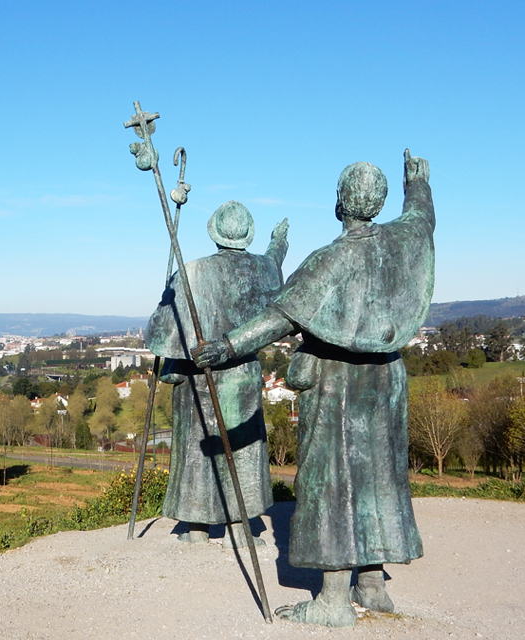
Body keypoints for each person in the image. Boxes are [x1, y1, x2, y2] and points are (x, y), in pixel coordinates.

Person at [193, 150, 434, 627]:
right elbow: (423, 214)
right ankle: (372, 583)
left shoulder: (332, 259)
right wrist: (418, 181)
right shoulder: (406, 240)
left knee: (336, 485)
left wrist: (224, 346)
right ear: (379, 203)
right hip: (387, 378)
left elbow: (277, 318)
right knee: (378, 479)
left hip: (338, 381)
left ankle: (333, 600)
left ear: (339, 205)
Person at [145, 201, 288, 546]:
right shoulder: (265, 269)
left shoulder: (191, 271)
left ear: (214, 233)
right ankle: (240, 531)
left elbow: (162, 333)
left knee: (198, 449)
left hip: (198, 376)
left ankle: (196, 530)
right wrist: (278, 242)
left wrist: (169, 293)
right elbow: (273, 262)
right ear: (247, 235)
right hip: (243, 374)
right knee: (241, 451)